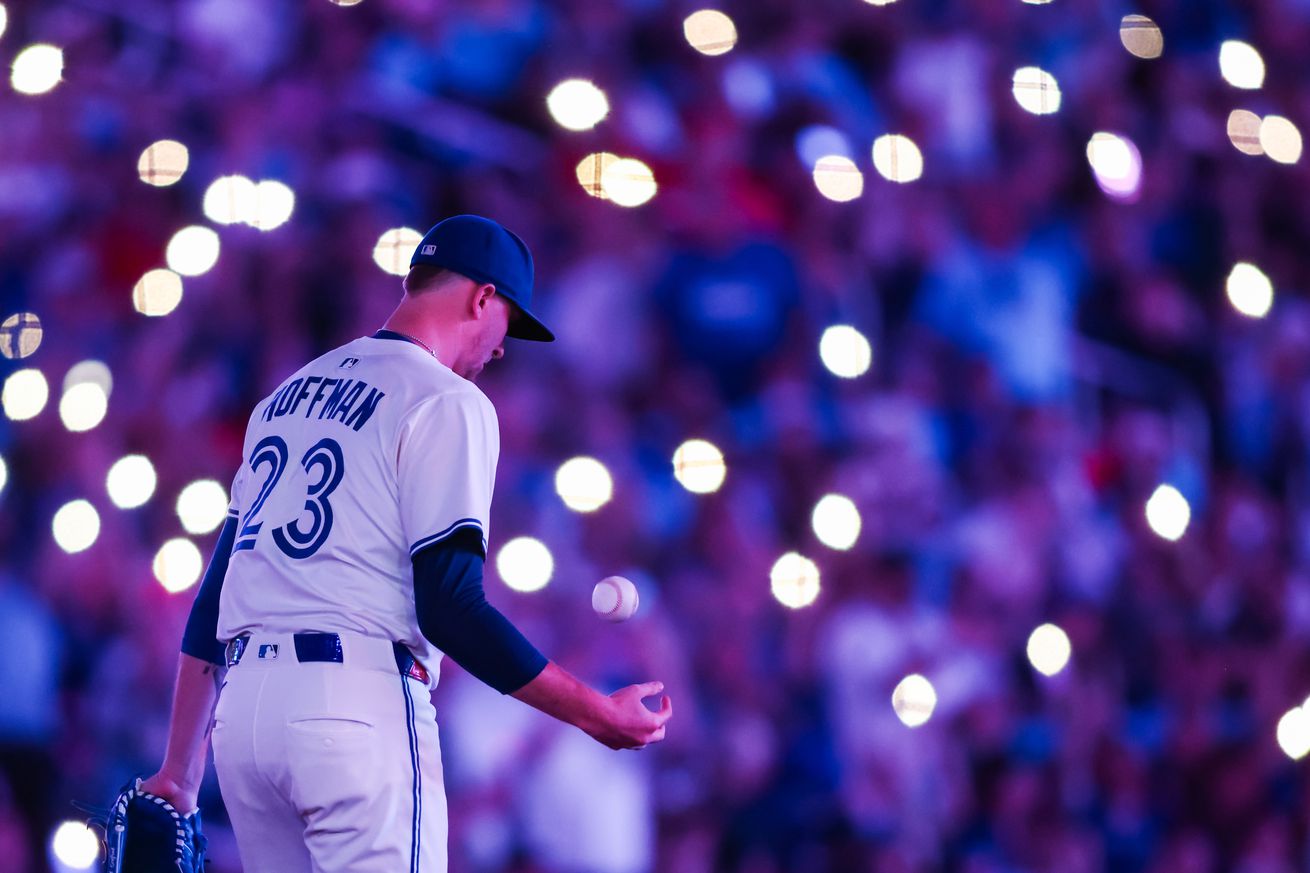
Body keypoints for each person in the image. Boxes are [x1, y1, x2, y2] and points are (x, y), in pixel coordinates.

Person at [139, 215, 673, 873]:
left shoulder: (284, 398)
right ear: (482, 298)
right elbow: (449, 606)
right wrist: (593, 711)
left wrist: (179, 770)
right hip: (353, 709)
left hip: (245, 721)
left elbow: (214, 598)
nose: (502, 350)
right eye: (508, 322)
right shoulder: (447, 399)